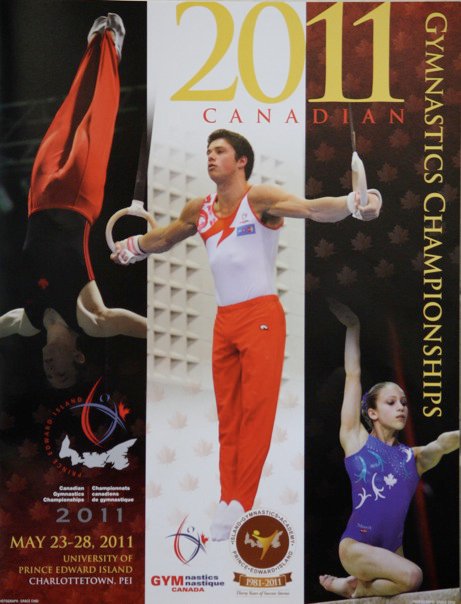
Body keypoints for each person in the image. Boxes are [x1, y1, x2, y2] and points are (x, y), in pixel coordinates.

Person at [111, 129, 383, 540]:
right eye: (207, 150)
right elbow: (163, 237)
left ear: (241, 161)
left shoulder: (259, 199)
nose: (210, 156)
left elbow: (311, 209)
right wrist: (132, 247)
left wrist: (351, 203)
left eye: (219, 151)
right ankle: (227, 497)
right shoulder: (199, 209)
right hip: (225, 322)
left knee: (257, 411)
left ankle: (242, 500)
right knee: (229, 417)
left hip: (261, 317)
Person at [0, 14, 146, 389]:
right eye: (61, 372)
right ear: (78, 358)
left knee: (68, 112)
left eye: (49, 374)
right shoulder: (89, 320)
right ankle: (111, 46)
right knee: (96, 118)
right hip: (78, 199)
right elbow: (130, 324)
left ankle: (93, 43)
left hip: (38, 198)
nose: (51, 368)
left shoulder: (28, 322)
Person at [319, 300, 459, 598]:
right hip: (357, 547)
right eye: (391, 402)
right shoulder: (355, 440)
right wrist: (353, 328)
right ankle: (354, 584)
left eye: (404, 403)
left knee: (403, 588)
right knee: (413, 575)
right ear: (372, 412)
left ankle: (354, 586)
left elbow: (442, 444)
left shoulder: (413, 458)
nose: (401, 408)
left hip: (392, 554)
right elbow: (353, 374)